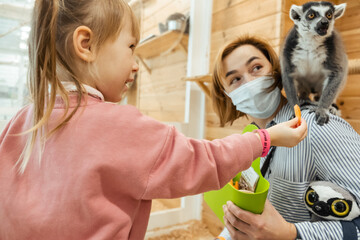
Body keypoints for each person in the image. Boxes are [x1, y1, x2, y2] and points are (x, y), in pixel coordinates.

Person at [0, 1, 308, 240]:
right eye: (131, 47)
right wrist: (266, 138)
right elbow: (202, 159)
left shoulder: (19, 121)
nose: (134, 65)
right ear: (86, 45)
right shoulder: (116, 126)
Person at [211, 35, 360, 240]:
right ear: (226, 94)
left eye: (256, 68)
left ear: (275, 70)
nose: (250, 82)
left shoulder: (317, 127)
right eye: (235, 79)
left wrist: (292, 233)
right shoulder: (252, 140)